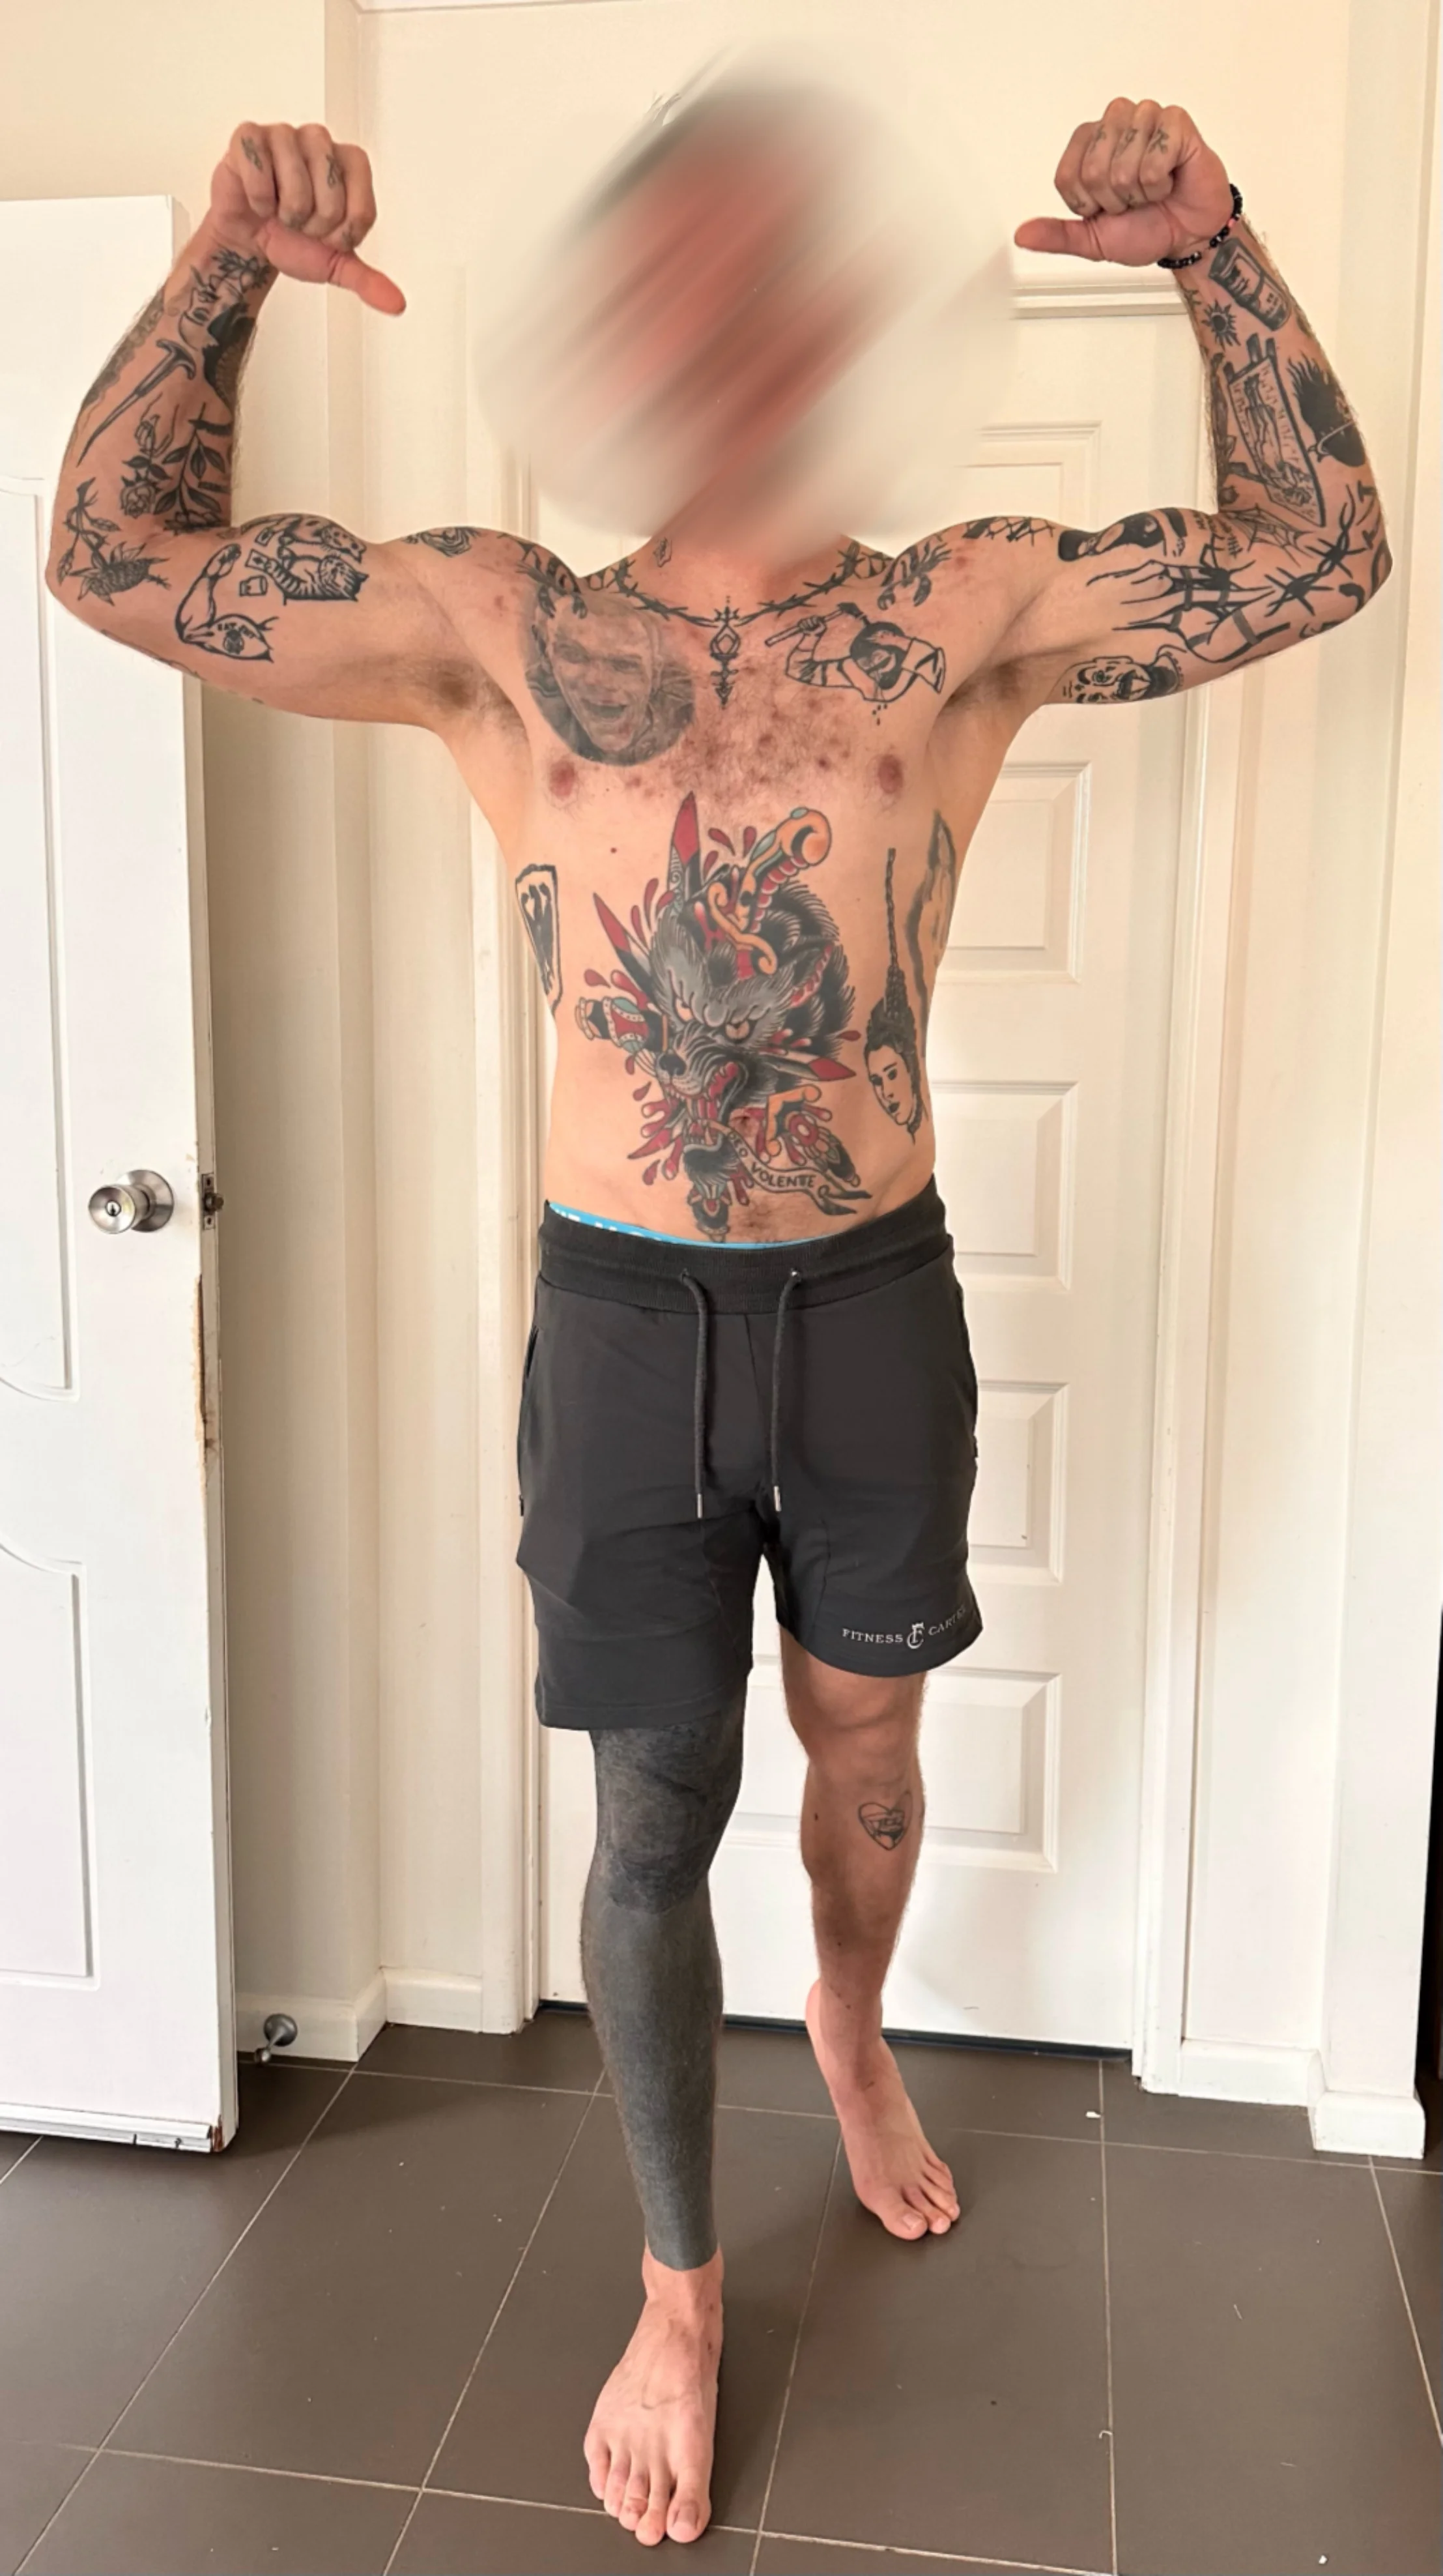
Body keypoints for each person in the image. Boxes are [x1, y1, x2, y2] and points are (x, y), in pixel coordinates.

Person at [48, 90, 1390, 2549]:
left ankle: (850, 2028)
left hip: (869, 1303)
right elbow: (114, 562)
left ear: (837, 324)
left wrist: (1213, 255)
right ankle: (677, 2288)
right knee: (653, 1808)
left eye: (771, 273)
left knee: (862, 1758)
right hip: (622, 1323)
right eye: (681, 273)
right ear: (620, 328)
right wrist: (224, 263)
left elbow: (1318, 555)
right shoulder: (497, 627)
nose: (729, 319)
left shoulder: (958, 607)